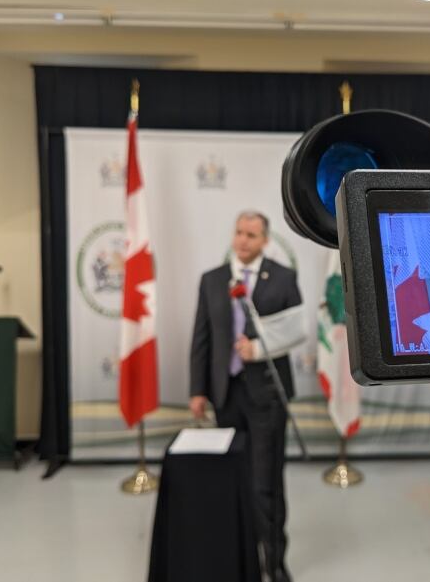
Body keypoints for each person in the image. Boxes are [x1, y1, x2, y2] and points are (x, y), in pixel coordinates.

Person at [190, 211, 302, 582]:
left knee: (265, 483)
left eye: (251, 235)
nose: (243, 240)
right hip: (226, 395)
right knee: (233, 480)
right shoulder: (212, 280)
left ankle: (274, 561)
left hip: (267, 395)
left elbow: (294, 330)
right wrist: (198, 391)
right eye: (238, 232)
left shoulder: (283, 277)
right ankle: (238, 557)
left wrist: (259, 347)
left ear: (265, 240)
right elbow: (202, 339)